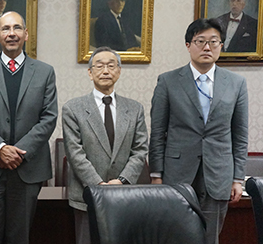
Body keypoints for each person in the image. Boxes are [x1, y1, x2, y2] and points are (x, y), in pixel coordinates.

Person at [150, 18, 247, 244]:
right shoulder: (168, 81)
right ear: (188, 45)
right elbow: (157, 132)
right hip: (177, 173)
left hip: (218, 175)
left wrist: (237, 178)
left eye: (214, 42)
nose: (207, 47)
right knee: (175, 236)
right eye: (200, 41)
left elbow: (240, 135)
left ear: (221, 46)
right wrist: (156, 175)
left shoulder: (236, 83)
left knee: (210, 238)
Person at [0, 11, 58, 244]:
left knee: (20, 237)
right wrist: (0, 148)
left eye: (17, 28)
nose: (12, 33)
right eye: (6, 29)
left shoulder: (44, 72)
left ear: (26, 34)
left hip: (28, 169)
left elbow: (49, 117)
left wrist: (18, 153)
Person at [62, 46, 148, 244]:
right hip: (87, 196)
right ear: (90, 73)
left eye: (111, 65)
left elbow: (140, 149)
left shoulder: (134, 109)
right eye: (99, 66)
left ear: (119, 71)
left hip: (123, 194)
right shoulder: (73, 109)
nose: (106, 71)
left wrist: (122, 181)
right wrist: (98, 186)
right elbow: (75, 152)